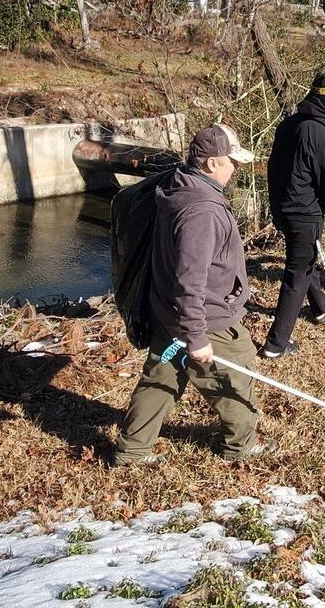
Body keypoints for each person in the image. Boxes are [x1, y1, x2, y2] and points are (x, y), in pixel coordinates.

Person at [113, 124, 268, 467]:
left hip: (171, 313)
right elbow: (190, 279)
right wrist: (196, 336)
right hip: (204, 317)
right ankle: (241, 447)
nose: (237, 167)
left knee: (161, 377)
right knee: (236, 378)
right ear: (212, 163)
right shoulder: (202, 211)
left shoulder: (179, 184)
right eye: (233, 161)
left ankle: (131, 451)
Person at [263, 73, 325, 358]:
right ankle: (275, 345)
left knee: (305, 260)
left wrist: (276, 208)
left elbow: (273, 169)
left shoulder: (288, 126)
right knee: (298, 274)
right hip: (303, 214)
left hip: (285, 208)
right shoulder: (324, 138)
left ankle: (320, 307)